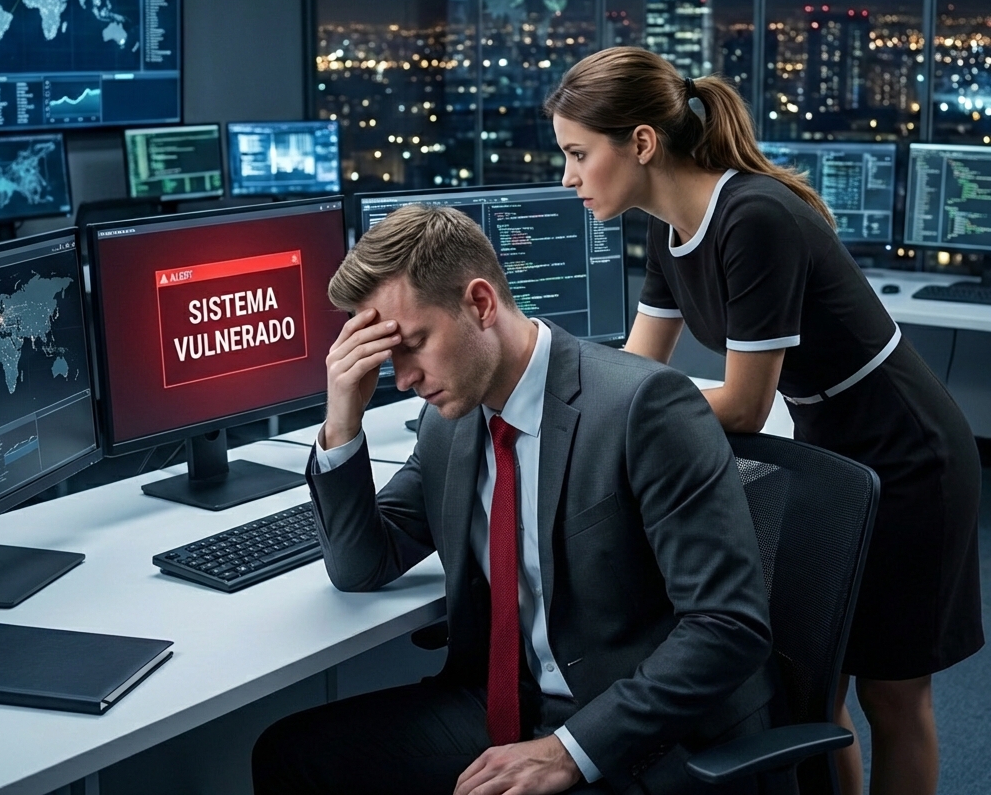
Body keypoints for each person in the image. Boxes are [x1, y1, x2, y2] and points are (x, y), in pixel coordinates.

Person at [544, 46, 985, 795]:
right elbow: (637, 373)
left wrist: (609, 421)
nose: (568, 177)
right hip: (826, 449)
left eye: (579, 154)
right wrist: (564, 407)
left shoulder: (753, 217)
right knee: (813, 687)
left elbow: (745, 403)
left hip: (911, 456)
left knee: (893, 693)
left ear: (642, 143)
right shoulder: (666, 227)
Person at [252, 203, 783, 795]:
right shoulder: (449, 421)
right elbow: (361, 565)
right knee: (290, 756)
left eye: (414, 345)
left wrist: (569, 752)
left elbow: (727, 626)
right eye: (386, 355)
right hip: (504, 707)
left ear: (480, 304)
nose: (401, 379)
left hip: (639, 733)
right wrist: (342, 419)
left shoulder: (644, 408)